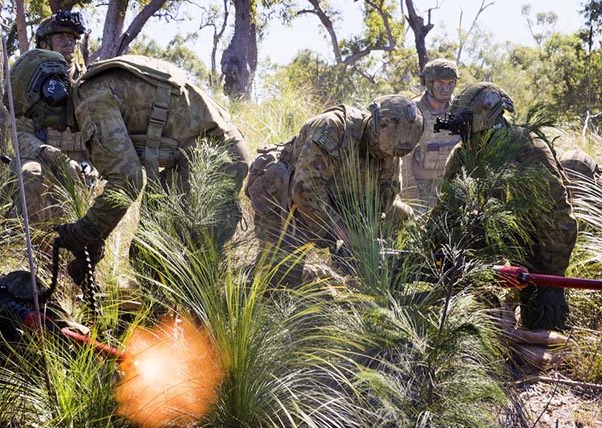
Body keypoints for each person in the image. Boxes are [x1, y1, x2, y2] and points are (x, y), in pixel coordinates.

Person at [10, 49, 250, 276]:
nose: (43, 124)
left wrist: (83, 232)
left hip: (214, 158)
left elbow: (126, 181)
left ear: (53, 92)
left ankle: (207, 316)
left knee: (157, 257)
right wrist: (96, 238)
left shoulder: (91, 101)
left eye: (36, 113)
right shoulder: (92, 90)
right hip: (199, 155)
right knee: (149, 252)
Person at [433, 82, 577, 331]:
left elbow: (559, 223)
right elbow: (445, 211)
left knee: (544, 318)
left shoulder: (528, 150)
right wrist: (436, 252)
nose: (467, 139)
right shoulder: (462, 156)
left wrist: (549, 282)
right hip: (487, 239)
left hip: (536, 245)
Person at [245, 95, 423, 283]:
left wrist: (368, 239)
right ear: (375, 125)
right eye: (380, 151)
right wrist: (342, 233)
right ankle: (259, 275)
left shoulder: (391, 148)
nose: (384, 157)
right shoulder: (333, 129)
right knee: (280, 282)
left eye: (391, 155)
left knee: (402, 214)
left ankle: (379, 279)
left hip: (336, 197)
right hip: (286, 195)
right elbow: (306, 189)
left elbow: (386, 196)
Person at [14, 10, 96, 223]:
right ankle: (36, 245)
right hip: (42, 161)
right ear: (44, 45)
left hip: (81, 168)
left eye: (72, 38)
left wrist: (94, 166)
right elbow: (18, 133)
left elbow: (104, 133)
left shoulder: (91, 81)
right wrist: (49, 154)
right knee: (31, 174)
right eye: (60, 37)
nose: (68, 43)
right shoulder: (28, 83)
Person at [400, 59, 462, 213]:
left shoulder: (460, 110)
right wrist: (413, 203)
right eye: (441, 83)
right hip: (421, 189)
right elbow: (403, 163)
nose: (446, 88)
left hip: (454, 187)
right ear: (429, 83)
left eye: (451, 83)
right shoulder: (413, 113)